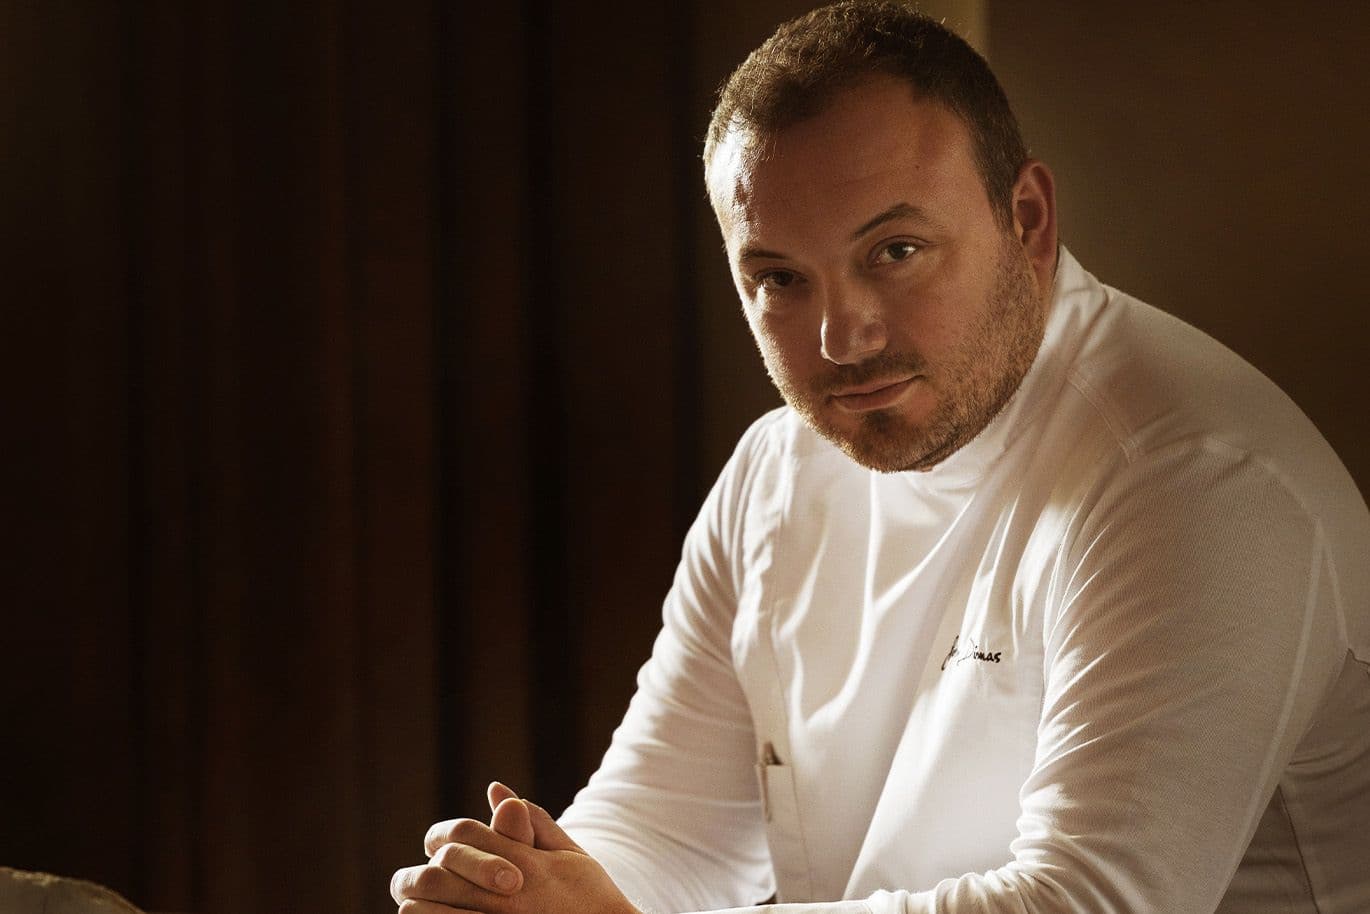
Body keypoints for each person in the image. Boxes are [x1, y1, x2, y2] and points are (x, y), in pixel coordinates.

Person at [392, 2, 1370, 912]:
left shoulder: (1197, 475)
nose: (840, 338)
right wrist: (528, 886)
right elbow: (666, 828)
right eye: (780, 278)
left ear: (1027, 221)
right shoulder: (777, 473)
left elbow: (1089, 901)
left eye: (894, 251)